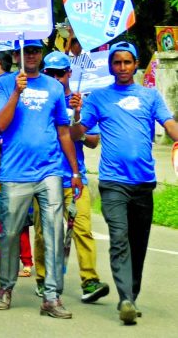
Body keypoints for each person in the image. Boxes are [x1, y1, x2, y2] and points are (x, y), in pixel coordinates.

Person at [72, 41, 178, 325]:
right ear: (110, 66)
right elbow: (76, 134)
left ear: (135, 64)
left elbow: (169, 126)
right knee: (119, 238)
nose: (122, 68)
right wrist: (77, 114)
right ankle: (125, 300)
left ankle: (131, 295)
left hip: (144, 182)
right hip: (112, 182)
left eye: (127, 62)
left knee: (138, 243)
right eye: (116, 63)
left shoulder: (150, 96)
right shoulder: (98, 98)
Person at [0, 40, 83, 319]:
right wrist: (16, 93)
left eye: (34, 50)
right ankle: (6, 287)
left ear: (40, 55)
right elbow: (1, 123)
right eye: (26, 51)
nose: (30, 55)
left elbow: (63, 131)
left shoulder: (54, 87)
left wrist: (75, 171)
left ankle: (51, 296)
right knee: (9, 233)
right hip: (15, 173)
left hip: (50, 171)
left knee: (54, 231)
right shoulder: (5, 84)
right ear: (17, 56)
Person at [32, 52, 110, 304]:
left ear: (69, 74)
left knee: (83, 230)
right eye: (50, 73)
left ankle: (89, 280)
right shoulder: (38, 100)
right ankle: (43, 279)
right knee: (45, 233)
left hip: (75, 180)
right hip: (44, 177)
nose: (56, 77)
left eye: (60, 73)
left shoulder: (81, 102)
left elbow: (92, 141)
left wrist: (76, 116)